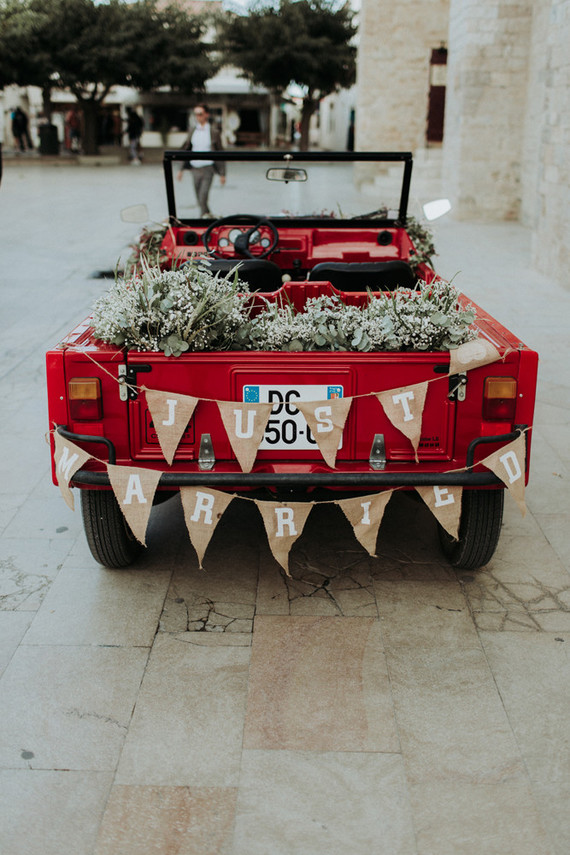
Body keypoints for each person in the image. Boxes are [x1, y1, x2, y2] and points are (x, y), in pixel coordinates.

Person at [176, 104, 225, 217]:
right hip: (195, 168)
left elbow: (220, 152)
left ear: (206, 115)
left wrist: (223, 174)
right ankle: (208, 216)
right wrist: (181, 170)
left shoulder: (213, 132)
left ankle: (202, 219)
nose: (198, 117)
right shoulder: (192, 130)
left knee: (203, 197)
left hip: (208, 168)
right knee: (199, 198)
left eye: (200, 114)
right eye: (196, 114)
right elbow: (187, 149)